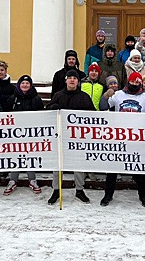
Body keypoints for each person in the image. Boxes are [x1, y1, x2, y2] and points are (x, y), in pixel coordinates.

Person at [99, 72, 145, 207]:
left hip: (137, 138)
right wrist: (105, 96)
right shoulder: (118, 95)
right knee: (112, 169)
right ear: (128, 82)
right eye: (133, 82)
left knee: (139, 169)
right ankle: (108, 195)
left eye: (137, 82)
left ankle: (143, 196)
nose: (135, 84)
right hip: (119, 137)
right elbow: (103, 107)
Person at [45, 70, 96, 205]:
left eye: (75, 78)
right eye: (70, 78)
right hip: (60, 136)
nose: (72, 80)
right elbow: (48, 111)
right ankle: (56, 189)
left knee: (78, 164)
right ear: (66, 80)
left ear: (78, 82)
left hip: (77, 138)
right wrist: (53, 107)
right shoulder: (58, 95)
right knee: (58, 165)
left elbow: (93, 116)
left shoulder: (84, 97)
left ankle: (79, 189)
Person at [3, 75, 45, 196]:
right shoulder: (13, 98)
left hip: (30, 134)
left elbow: (41, 115)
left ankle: (32, 179)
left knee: (29, 156)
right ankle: (13, 180)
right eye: (23, 83)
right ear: (19, 85)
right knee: (15, 156)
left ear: (31, 85)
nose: (25, 85)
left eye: (27, 83)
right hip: (15, 133)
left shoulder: (36, 99)